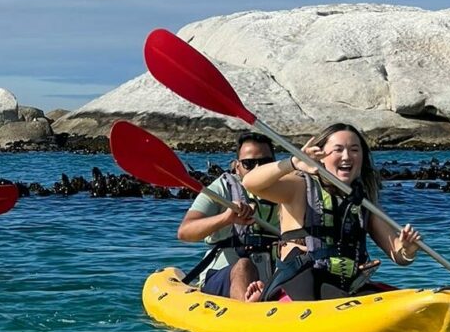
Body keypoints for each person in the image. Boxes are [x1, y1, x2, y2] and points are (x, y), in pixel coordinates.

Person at [243, 123, 421, 301]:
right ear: (321, 157)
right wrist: (293, 163)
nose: (346, 156)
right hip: (302, 279)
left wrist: (407, 249)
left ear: (362, 158)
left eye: (354, 150)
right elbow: (250, 183)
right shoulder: (299, 186)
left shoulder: (364, 202)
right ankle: (269, 297)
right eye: (338, 150)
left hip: (346, 284)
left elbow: (399, 255)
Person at [178, 132, 281, 302]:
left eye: (265, 163)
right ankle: (247, 310)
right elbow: (185, 232)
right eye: (249, 164)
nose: (257, 169)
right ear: (236, 166)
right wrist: (226, 218)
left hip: (273, 277)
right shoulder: (222, 189)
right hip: (225, 275)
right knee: (244, 265)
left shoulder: (288, 189)